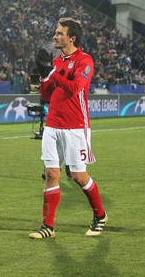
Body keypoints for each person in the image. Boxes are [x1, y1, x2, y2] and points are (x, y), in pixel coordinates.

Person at [30, 17, 107, 239]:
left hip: (75, 126)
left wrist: (53, 74)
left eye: (59, 33)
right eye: (55, 33)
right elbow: (46, 96)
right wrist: (44, 75)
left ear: (71, 38)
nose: (55, 36)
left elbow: (75, 89)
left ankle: (100, 215)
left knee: (78, 175)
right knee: (51, 173)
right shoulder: (55, 63)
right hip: (53, 124)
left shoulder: (85, 61)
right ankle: (48, 226)